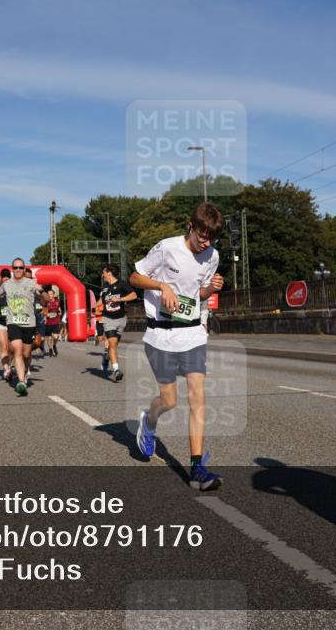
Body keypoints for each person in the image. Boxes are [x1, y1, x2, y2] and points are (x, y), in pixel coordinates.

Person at [130, 202, 225, 491]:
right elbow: (134, 278)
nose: (205, 242)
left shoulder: (213, 256)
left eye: (211, 237)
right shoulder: (167, 248)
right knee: (169, 401)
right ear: (190, 226)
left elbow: (198, 293)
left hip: (193, 334)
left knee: (198, 395)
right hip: (161, 335)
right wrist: (162, 286)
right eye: (202, 235)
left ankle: (197, 468)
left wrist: (212, 288)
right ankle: (149, 421)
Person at [0, 258, 42, 396]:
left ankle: (24, 372)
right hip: (13, 322)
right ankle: (21, 382)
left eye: (20, 267)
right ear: (12, 269)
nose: (18, 270)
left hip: (29, 323)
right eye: (15, 268)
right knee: (17, 350)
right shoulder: (6, 284)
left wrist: (42, 291)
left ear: (24, 269)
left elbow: (45, 300)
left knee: (26, 353)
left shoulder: (31, 283)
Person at [96, 263, 137, 381]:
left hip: (121, 318)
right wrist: (95, 306)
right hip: (108, 319)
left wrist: (119, 299)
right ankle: (116, 370)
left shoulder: (122, 284)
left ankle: (106, 357)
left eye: (104, 272)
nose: (102, 275)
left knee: (113, 345)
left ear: (109, 272)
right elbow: (101, 301)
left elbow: (133, 295)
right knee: (112, 343)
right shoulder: (104, 287)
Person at [0, 269, 12, 379]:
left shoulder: (14, 288)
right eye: (3, 277)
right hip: (0, 321)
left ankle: (9, 364)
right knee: (4, 346)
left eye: (7, 277)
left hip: (12, 321)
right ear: (1, 278)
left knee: (12, 347)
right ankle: (7, 370)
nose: (5, 279)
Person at [44, 289, 62, 357]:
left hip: (55, 322)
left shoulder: (57, 302)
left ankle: (54, 345)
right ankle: (50, 349)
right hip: (48, 322)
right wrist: (47, 314)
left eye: (51, 294)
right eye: (48, 294)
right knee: (48, 338)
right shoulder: (46, 303)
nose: (49, 295)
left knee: (55, 336)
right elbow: (44, 312)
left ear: (53, 295)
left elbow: (59, 310)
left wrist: (60, 312)